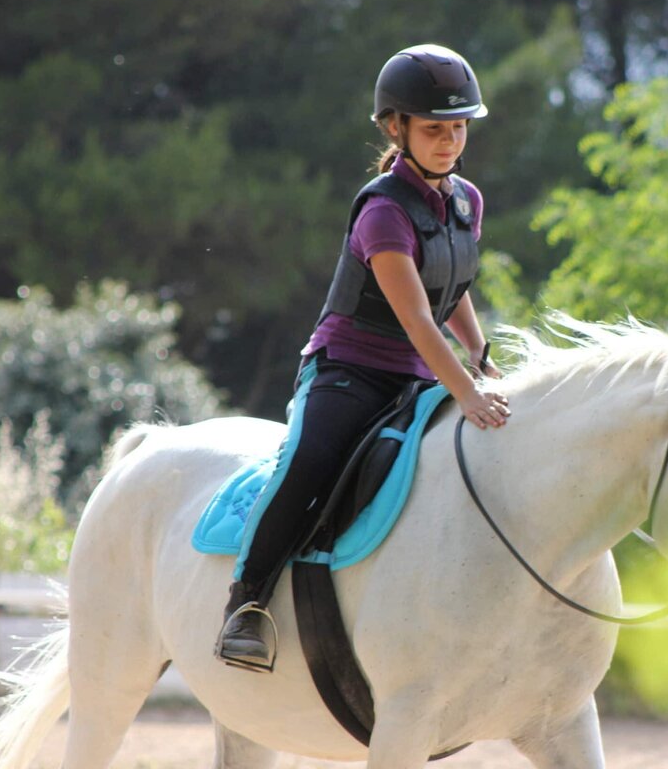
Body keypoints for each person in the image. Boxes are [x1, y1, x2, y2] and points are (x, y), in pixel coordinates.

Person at [217, 44, 510, 671]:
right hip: (349, 371)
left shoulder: (467, 202)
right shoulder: (382, 212)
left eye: (459, 127)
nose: (450, 141)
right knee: (310, 461)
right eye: (434, 129)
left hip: (418, 377)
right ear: (395, 128)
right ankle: (247, 600)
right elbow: (417, 320)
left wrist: (483, 360)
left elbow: (452, 289)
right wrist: (467, 390)